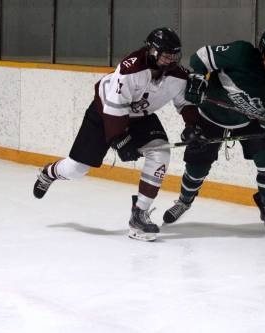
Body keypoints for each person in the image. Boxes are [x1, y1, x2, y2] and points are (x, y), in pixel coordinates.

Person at [33, 27, 198, 242]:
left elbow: (184, 103)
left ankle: (139, 214)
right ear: (152, 51)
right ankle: (49, 173)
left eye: (174, 56)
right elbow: (114, 107)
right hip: (105, 113)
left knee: (161, 153)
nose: (171, 61)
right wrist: (120, 140)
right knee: (76, 169)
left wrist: (194, 127)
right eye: (166, 56)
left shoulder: (177, 75)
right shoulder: (131, 69)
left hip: (140, 116)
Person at [163, 28, 265, 232]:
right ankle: (183, 202)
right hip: (210, 117)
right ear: (262, 51)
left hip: (246, 121)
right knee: (197, 167)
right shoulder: (241, 53)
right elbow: (201, 57)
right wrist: (198, 77)